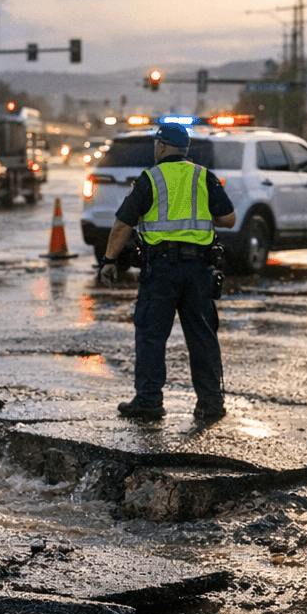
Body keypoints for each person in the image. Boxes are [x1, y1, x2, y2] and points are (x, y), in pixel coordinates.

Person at [98, 122, 237, 421]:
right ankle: (210, 404)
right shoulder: (204, 176)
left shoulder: (150, 178)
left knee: (151, 335)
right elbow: (229, 219)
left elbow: (123, 224)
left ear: (161, 147)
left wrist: (108, 260)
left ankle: (149, 402)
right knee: (202, 336)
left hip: (160, 270)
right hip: (199, 270)